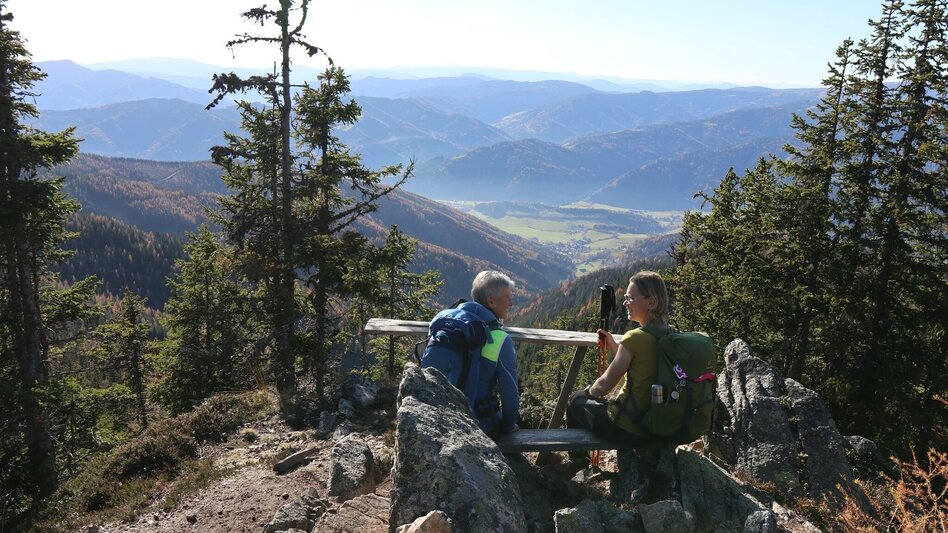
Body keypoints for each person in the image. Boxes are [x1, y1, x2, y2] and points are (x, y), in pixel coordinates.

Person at [566, 270, 670, 461]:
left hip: (628, 427)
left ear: (651, 302)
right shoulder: (668, 334)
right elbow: (642, 362)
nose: (625, 303)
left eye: (630, 298)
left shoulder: (635, 337)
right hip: (655, 424)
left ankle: (578, 465)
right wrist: (615, 346)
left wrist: (586, 392)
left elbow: (605, 385)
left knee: (574, 404)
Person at [467, 270, 520, 438]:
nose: (511, 303)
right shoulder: (499, 338)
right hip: (478, 426)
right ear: (491, 301)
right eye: (508, 297)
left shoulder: (455, 326)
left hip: (439, 416)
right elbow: (510, 399)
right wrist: (508, 427)